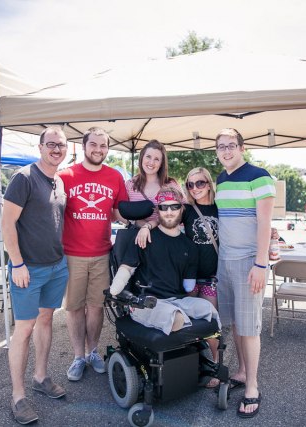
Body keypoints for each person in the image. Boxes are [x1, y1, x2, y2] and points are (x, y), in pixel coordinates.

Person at [2, 126, 70, 425]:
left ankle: (41, 377)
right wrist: (17, 264)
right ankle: (18, 396)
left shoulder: (59, 180)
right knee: (24, 329)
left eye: (61, 145)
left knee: (45, 320)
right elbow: (7, 224)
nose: (56, 149)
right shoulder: (24, 177)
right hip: (27, 269)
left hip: (57, 265)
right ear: (40, 147)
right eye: (51, 144)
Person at [58, 127, 128, 382]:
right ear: (83, 146)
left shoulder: (115, 177)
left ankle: (93, 352)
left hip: (102, 253)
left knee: (97, 307)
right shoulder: (65, 175)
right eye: (94, 144)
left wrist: (145, 222)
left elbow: (120, 212)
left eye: (103, 145)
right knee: (75, 308)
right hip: (72, 254)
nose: (98, 150)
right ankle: (78, 357)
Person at [214, 128, 275, 419]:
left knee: (249, 328)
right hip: (224, 261)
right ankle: (240, 371)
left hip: (249, 262)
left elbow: (265, 222)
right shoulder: (221, 179)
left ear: (242, 147)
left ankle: (252, 387)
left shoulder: (259, 176)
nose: (226, 151)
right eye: (221, 146)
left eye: (231, 145)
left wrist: (261, 264)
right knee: (237, 324)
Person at [110, 185, 219, 335]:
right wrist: (115, 290)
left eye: (174, 207)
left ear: (181, 209)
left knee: (209, 311)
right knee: (176, 317)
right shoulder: (144, 237)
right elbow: (127, 268)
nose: (169, 212)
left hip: (177, 300)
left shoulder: (189, 246)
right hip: (146, 302)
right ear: (158, 210)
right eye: (163, 207)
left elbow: (188, 286)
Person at [182, 167, 220, 373]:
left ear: (209, 184)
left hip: (210, 277)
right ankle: (190, 365)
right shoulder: (187, 210)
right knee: (187, 322)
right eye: (190, 184)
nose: (195, 188)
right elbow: (165, 222)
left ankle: (215, 365)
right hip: (188, 276)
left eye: (200, 183)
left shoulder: (219, 208)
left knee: (210, 323)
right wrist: (146, 227)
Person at [124, 139, 185, 248]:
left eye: (157, 159)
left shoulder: (171, 185)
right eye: (148, 157)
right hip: (138, 242)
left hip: (166, 242)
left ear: (161, 163)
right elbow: (122, 213)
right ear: (142, 157)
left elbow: (183, 211)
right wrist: (137, 223)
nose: (151, 162)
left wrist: (150, 225)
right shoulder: (130, 185)